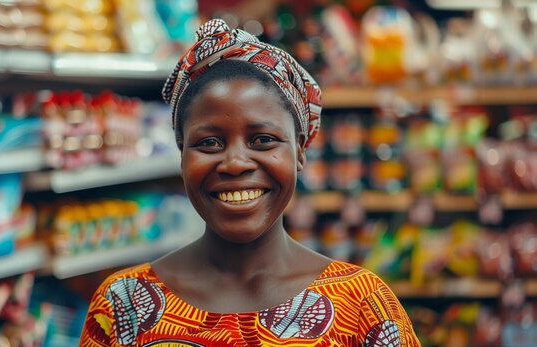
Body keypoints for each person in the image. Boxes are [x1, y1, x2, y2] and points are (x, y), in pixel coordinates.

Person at [80, 19, 420, 347]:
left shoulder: (362, 304)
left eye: (262, 140)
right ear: (181, 155)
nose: (235, 163)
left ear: (300, 152)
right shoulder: (124, 304)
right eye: (209, 143)